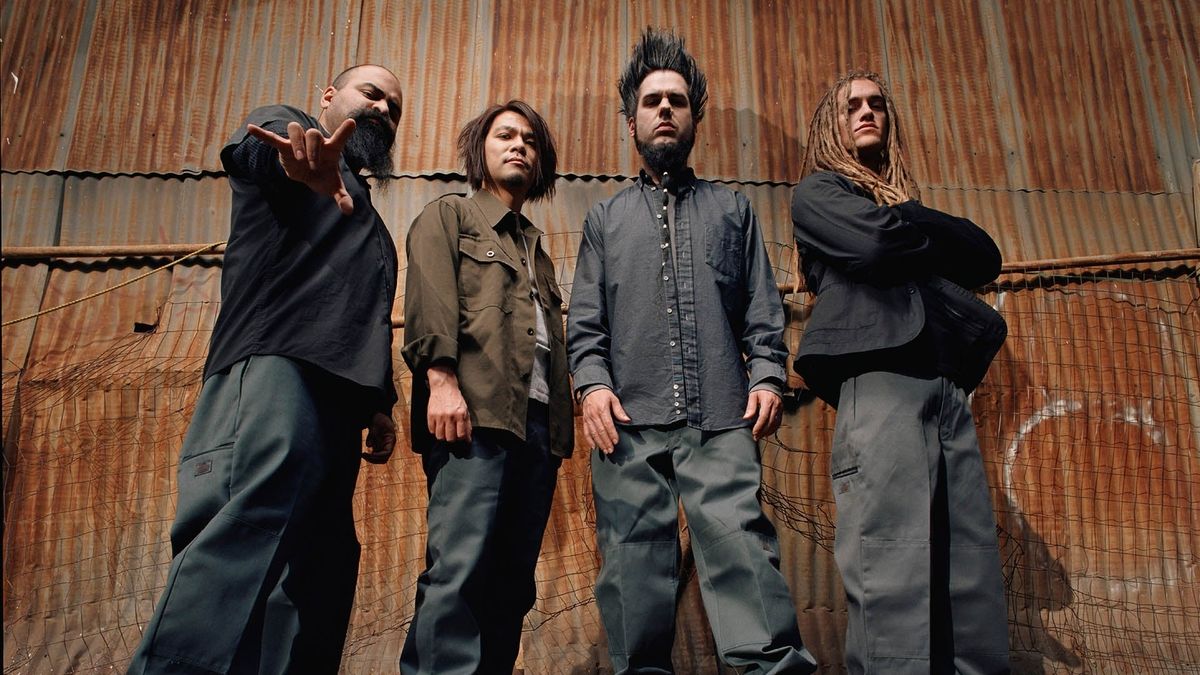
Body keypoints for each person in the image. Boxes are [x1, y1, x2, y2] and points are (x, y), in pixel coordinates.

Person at [126, 65, 404, 674]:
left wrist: (379, 402)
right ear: (329, 97)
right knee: (244, 530)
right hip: (276, 370)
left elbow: (362, 311)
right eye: (371, 94)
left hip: (339, 406)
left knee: (319, 573)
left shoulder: (370, 222)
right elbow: (261, 152)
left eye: (394, 106)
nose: (383, 109)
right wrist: (293, 163)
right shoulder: (292, 131)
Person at [567, 29, 816, 675]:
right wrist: (592, 386)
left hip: (723, 421)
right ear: (632, 122)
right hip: (627, 425)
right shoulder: (604, 221)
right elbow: (586, 323)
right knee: (631, 581)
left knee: (746, 563)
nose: (665, 109)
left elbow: (761, 310)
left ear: (693, 119)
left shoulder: (733, 211)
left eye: (676, 100)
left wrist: (768, 376)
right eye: (652, 101)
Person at [790, 70, 1010, 674]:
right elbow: (876, 248)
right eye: (850, 106)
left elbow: (984, 256)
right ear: (830, 126)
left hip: (947, 389)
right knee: (891, 565)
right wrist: (918, 232)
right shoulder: (817, 193)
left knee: (969, 567)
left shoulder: (905, 208)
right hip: (881, 382)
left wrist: (907, 215)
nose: (866, 112)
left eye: (876, 104)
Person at [399, 100, 572, 675]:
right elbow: (430, 303)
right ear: (480, 150)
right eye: (505, 135)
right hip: (474, 420)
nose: (519, 145)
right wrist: (442, 382)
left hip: (537, 429)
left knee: (512, 584)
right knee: (461, 571)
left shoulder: (536, 250)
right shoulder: (449, 216)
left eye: (529, 139)